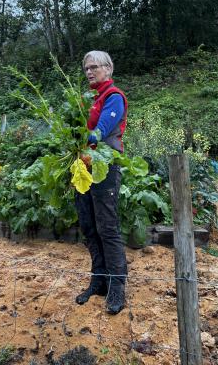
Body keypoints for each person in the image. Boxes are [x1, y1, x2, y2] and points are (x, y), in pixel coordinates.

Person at [75, 51, 128, 315]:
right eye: (86, 68)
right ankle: (99, 280)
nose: (89, 72)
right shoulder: (88, 100)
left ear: (108, 69)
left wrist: (84, 136)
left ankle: (117, 286)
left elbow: (101, 132)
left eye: (94, 67)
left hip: (105, 168)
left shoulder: (113, 97)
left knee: (107, 228)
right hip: (83, 169)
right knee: (88, 225)